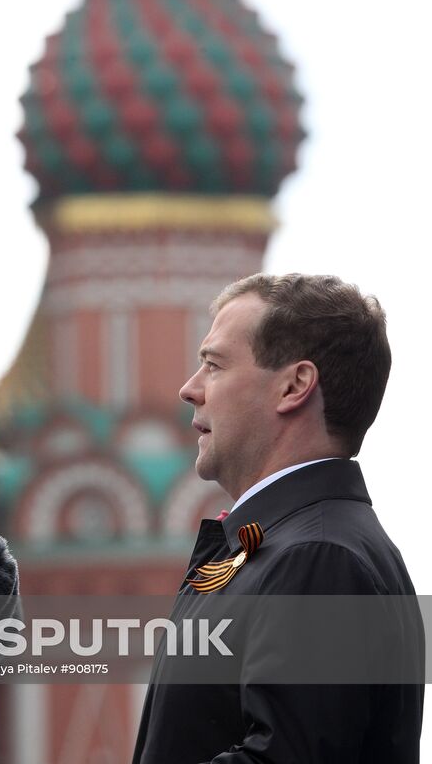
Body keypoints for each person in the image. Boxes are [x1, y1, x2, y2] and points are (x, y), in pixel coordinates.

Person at [132, 272, 424, 764]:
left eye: (213, 365)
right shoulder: (290, 548)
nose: (189, 388)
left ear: (294, 386)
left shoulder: (317, 557)